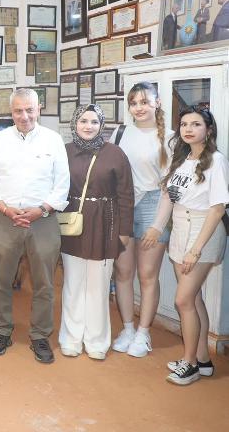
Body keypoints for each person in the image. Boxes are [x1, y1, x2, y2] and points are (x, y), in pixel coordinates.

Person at [0, 88, 69, 364]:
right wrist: (5, 208)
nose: (24, 116)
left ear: (39, 109)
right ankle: (2, 330)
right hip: (5, 219)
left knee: (44, 283)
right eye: (18, 111)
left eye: (29, 110)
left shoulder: (53, 140)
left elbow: (62, 184)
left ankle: (40, 335)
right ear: (11, 112)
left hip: (43, 220)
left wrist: (40, 210)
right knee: (2, 280)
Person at [143, 106, 228, 385]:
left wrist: (195, 249)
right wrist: (157, 227)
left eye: (196, 124)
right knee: (194, 299)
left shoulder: (216, 161)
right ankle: (202, 360)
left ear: (209, 130)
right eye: (184, 125)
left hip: (204, 231)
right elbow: (169, 197)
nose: (188, 129)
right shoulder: (180, 159)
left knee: (183, 300)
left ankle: (189, 364)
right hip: (180, 228)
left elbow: (217, 209)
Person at [59, 105, 134, 361]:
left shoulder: (115, 154)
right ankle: (70, 339)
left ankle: (97, 341)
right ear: (75, 123)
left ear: (102, 125)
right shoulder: (64, 151)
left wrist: (124, 231)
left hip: (105, 224)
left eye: (94, 122)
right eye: (83, 121)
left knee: (98, 286)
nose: (88, 126)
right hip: (73, 222)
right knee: (73, 283)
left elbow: (126, 195)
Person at [111, 82, 174, 358]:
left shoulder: (171, 138)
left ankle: (143, 332)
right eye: (134, 103)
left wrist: (158, 225)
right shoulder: (120, 133)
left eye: (145, 102)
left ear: (157, 103)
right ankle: (127, 328)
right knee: (123, 272)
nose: (139, 108)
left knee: (147, 275)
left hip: (154, 204)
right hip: (123, 205)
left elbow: (170, 187)